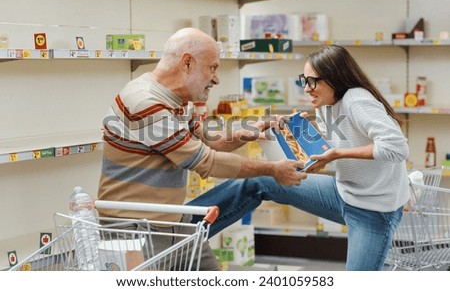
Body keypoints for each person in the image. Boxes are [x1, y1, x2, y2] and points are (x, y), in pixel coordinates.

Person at [97, 27, 306, 270]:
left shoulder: (180, 101)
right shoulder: (145, 102)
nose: (216, 78)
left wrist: (254, 129)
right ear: (187, 63)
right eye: (213, 67)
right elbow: (206, 161)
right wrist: (272, 169)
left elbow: (211, 142)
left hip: (175, 224)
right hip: (134, 232)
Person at [195, 44, 409, 271]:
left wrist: (337, 154)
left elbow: (396, 146)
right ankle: (186, 231)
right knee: (258, 181)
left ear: (335, 78)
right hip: (345, 194)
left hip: (373, 211)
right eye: (304, 81)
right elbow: (335, 140)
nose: (306, 89)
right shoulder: (328, 106)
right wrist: (294, 130)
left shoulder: (356, 100)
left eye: (312, 81)